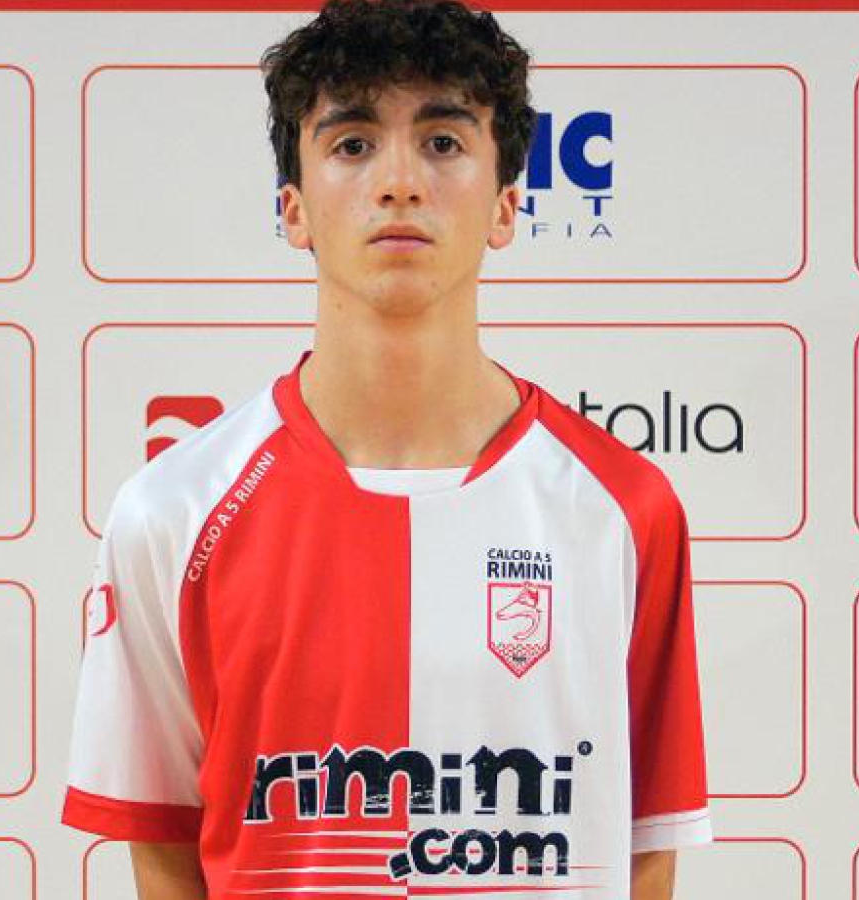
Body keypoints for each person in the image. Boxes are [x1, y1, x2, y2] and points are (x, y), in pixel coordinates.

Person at [61, 1, 710, 897]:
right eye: (353, 143)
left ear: (507, 205)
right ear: (293, 210)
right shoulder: (172, 513)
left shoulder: (624, 508)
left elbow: (646, 846)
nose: (400, 181)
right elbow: (164, 847)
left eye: (442, 142)